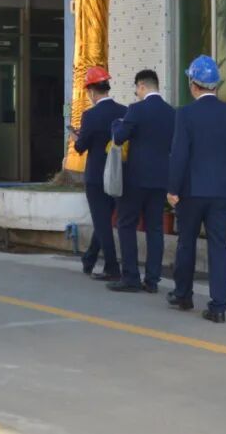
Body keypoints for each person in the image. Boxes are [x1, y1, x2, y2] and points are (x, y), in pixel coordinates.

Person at [168, 55, 226, 324]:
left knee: (186, 243)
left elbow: (179, 155)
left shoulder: (185, 114)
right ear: (217, 85)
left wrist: (173, 188)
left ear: (193, 85)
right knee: (219, 246)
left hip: (191, 191)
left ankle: (183, 295)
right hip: (223, 191)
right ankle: (218, 307)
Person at [108, 69, 176, 294]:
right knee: (155, 227)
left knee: (126, 224)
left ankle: (130, 277)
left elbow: (119, 137)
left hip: (136, 178)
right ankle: (152, 280)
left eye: (136, 89)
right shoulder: (171, 112)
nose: (136, 93)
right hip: (161, 178)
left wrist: (116, 124)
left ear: (142, 86)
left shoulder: (136, 110)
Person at [71, 67, 126, 281]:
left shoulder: (90, 116)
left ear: (92, 91)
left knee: (102, 222)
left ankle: (112, 268)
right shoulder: (124, 111)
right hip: (117, 174)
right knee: (103, 219)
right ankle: (90, 258)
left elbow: (81, 147)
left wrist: (76, 138)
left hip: (96, 176)